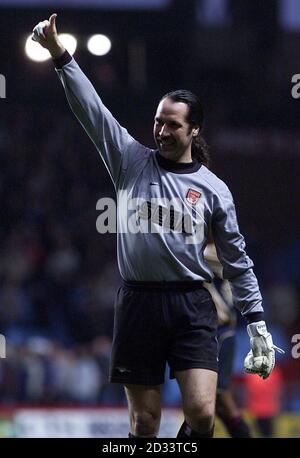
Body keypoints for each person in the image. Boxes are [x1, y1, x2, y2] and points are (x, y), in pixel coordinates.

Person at [31, 14, 284, 438]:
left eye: (173, 124)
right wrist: (60, 55)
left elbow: (238, 261)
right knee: (145, 422)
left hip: (192, 305)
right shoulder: (129, 160)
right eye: (158, 121)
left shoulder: (214, 190)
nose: (162, 131)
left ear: (194, 129)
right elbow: (91, 109)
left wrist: (256, 322)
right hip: (138, 305)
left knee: (203, 414)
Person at [204, 242, 252, 438]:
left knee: (219, 397)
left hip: (220, 330)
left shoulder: (216, 250)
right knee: (211, 402)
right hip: (207, 330)